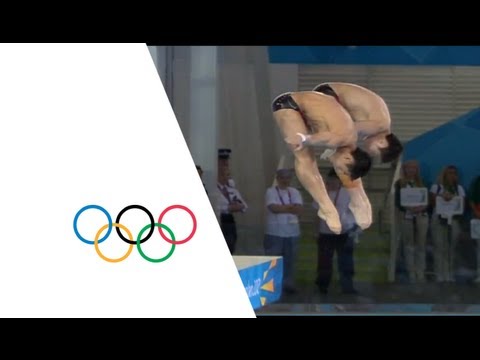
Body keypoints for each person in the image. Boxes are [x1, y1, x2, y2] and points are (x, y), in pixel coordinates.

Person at [272, 90, 372, 234]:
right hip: (288, 104)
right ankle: (327, 208)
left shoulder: (350, 143)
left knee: (344, 164)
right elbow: (324, 137)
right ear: (348, 157)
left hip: (316, 106)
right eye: (342, 171)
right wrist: (304, 139)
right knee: (304, 156)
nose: (340, 173)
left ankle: (359, 201)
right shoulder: (340, 139)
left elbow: (344, 159)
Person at [312, 82, 403, 164]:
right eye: (373, 152)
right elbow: (347, 130)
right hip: (329, 94)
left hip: (330, 93)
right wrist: (332, 149)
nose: (367, 150)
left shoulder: (382, 123)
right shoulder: (379, 126)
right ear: (382, 142)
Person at [313, 168, 360, 295]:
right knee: (324, 261)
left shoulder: (347, 193)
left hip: (343, 233)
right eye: (330, 180)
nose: (333, 183)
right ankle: (322, 286)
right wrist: (316, 231)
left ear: (340, 181)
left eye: (335, 180)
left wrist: (354, 227)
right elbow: (316, 214)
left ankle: (347, 286)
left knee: (346, 261)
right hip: (325, 233)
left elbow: (355, 211)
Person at [264, 168, 303, 294]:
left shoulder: (295, 192)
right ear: (278, 178)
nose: (285, 180)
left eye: (288, 178)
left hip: (292, 232)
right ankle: (272, 285)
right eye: (283, 178)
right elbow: (273, 208)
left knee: (290, 260)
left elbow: (298, 210)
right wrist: (290, 207)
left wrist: (283, 208)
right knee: (273, 260)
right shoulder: (271, 191)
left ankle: (288, 284)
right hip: (275, 232)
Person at [393, 160, 430, 283]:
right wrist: (408, 208)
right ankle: (411, 272)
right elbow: (398, 201)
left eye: (414, 168)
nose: (412, 170)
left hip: (421, 215)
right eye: (409, 168)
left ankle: (421, 272)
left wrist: (422, 207)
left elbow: (428, 199)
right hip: (406, 216)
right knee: (409, 245)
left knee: (421, 244)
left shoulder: (423, 183)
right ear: (405, 169)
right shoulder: (399, 184)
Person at [429, 165, 466, 282]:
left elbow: (462, 205)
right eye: (449, 173)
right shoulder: (436, 187)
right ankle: (439, 273)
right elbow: (432, 202)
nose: (451, 175)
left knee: (450, 248)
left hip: (453, 220)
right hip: (438, 219)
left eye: (454, 173)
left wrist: (452, 198)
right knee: (439, 246)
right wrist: (443, 196)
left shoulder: (459, 188)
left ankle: (449, 273)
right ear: (444, 174)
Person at [215, 153, 248, 254]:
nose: (227, 177)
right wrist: (229, 207)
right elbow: (216, 206)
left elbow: (244, 206)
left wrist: (233, 207)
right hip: (219, 218)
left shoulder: (231, 188)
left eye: (228, 174)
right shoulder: (214, 188)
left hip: (229, 221)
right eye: (224, 174)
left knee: (230, 247)